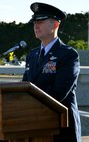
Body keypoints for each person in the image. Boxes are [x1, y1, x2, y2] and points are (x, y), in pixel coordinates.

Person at [22, 2, 81, 142]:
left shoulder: (68, 55)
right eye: (34, 22)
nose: (36, 25)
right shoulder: (32, 55)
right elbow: (24, 86)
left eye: (40, 21)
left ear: (55, 25)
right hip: (36, 126)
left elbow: (59, 92)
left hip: (61, 126)